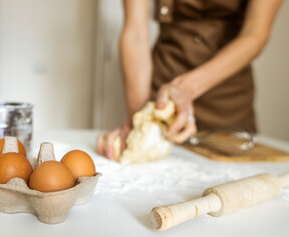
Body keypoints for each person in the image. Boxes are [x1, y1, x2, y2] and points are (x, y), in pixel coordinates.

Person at [97, 0, 282, 160]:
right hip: (162, 95)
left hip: (227, 103)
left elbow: (255, 35)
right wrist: (139, 122)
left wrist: (187, 87)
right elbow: (135, 34)